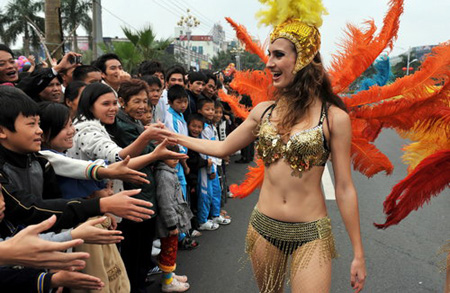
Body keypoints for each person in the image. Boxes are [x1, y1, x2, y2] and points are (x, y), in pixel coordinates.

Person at [170, 6, 366, 292]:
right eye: (269, 55)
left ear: (305, 59)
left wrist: (358, 253)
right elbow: (223, 147)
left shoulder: (335, 118)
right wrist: (176, 138)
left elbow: (345, 188)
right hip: (264, 228)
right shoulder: (263, 111)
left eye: (278, 55)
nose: (269, 63)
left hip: (312, 233)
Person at [0, 86, 154, 230]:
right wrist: (99, 204)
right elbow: (30, 208)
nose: (39, 131)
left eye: (39, 124)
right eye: (31, 124)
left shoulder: (39, 161)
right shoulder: (17, 165)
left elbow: (53, 202)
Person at [154, 144, 193, 292]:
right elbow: (165, 202)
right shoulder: (164, 175)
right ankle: (167, 282)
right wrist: (171, 225)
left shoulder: (169, 172)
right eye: (171, 156)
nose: (175, 160)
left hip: (172, 220)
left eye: (177, 156)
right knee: (169, 250)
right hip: (168, 223)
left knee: (170, 249)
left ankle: (169, 274)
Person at [195, 98, 230, 231]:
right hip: (206, 166)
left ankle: (215, 215)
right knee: (205, 193)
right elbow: (204, 148)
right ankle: (202, 220)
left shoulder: (210, 125)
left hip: (214, 164)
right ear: (200, 111)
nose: (211, 112)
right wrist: (209, 167)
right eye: (207, 109)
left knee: (216, 191)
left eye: (213, 110)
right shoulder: (201, 126)